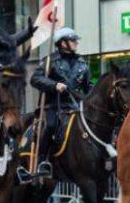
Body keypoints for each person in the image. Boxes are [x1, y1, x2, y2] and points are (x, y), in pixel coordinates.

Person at [20, 26, 93, 181]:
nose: (76, 43)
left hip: (75, 107)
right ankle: (42, 162)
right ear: (62, 42)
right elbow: (35, 79)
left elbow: (89, 87)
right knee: (51, 126)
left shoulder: (82, 63)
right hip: (54, 107)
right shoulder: (49, 61)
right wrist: (54, 85)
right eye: (73, 40)